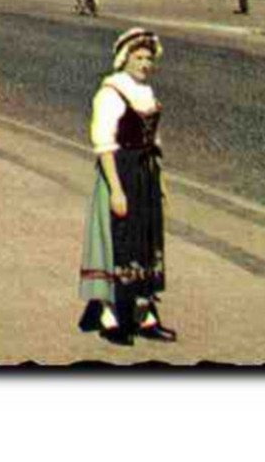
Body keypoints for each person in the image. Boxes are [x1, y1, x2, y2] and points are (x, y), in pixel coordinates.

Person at [77, 28, 175, 346]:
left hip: (145, 174)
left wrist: (160, 181)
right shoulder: (111, 93)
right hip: (121, 173)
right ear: (125, 59)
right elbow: (104, 145)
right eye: (139, 58)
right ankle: (110, 315)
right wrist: (116, 190)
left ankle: (145, 315)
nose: (145, 64)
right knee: (117, 240)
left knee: (146, 240)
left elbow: (154, 142)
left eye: (149, 58)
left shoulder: (145, 92)